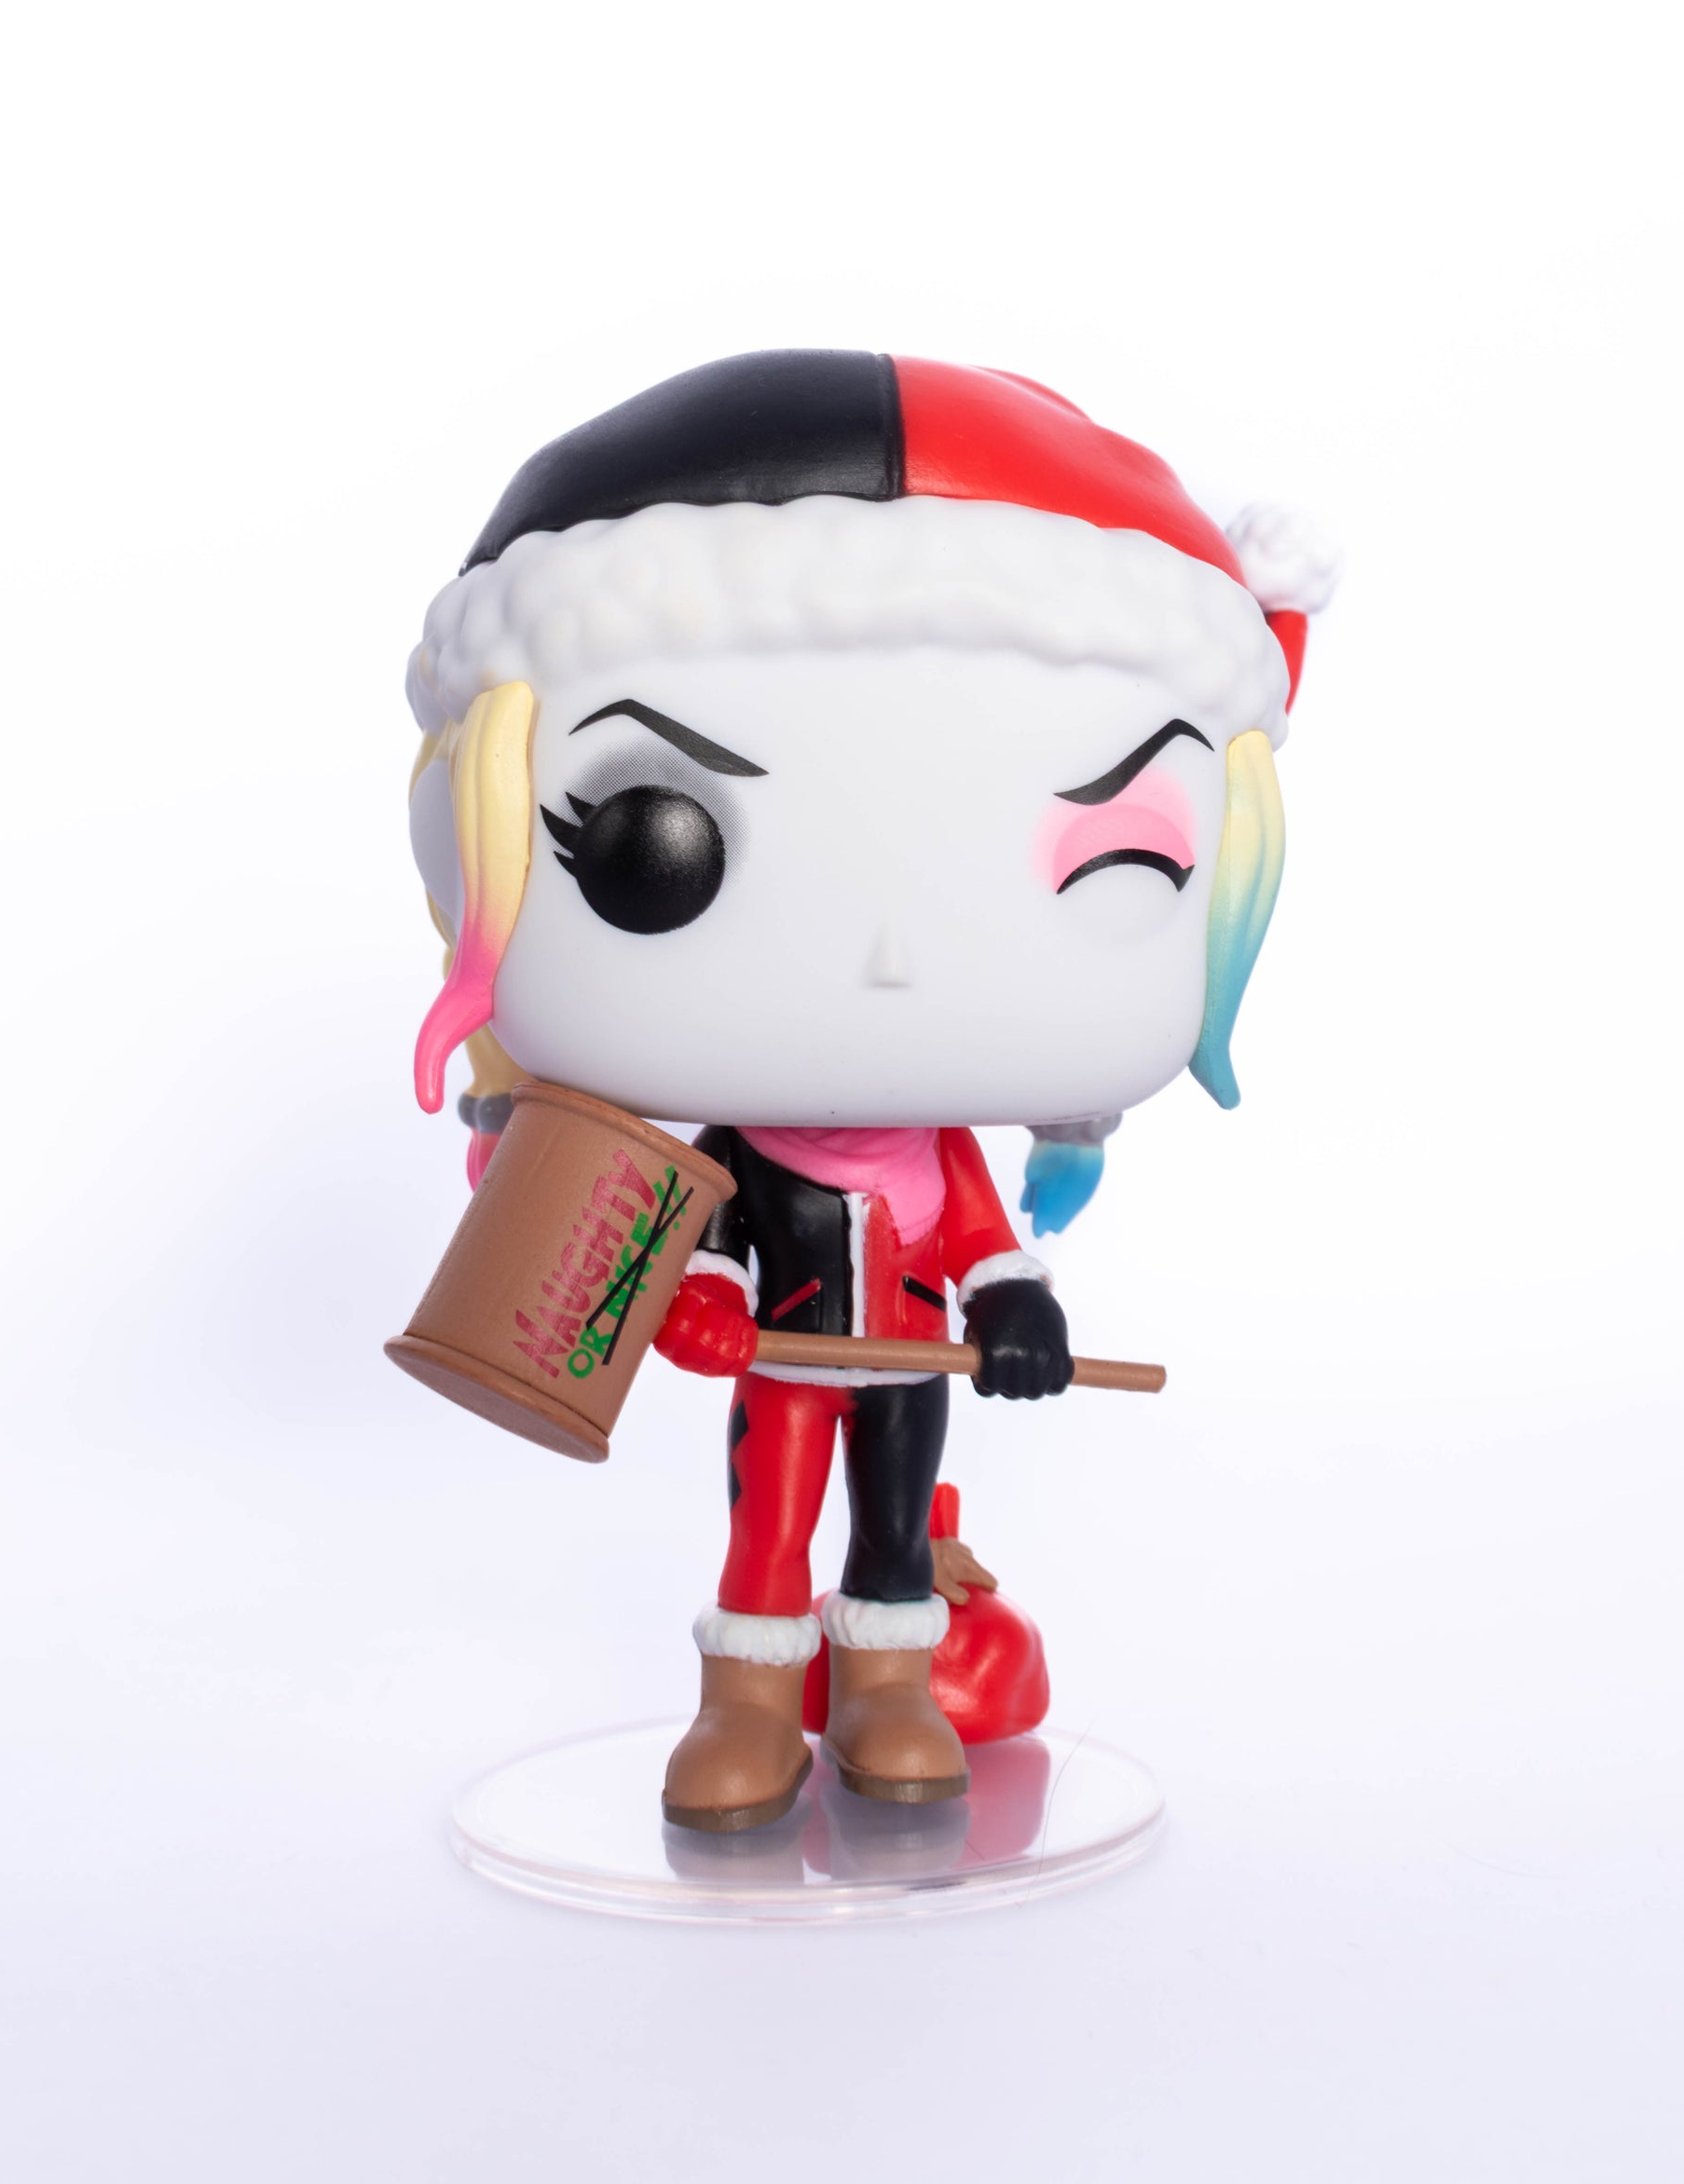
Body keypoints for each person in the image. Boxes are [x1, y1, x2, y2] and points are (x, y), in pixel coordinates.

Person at [404, 349, 1335, 1828]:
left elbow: (979, 1238)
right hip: (784, 1370)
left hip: (908, 1367)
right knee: (767, 1525)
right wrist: (697, 1301)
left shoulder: (936, 1151)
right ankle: (747, 1703)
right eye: (655, 842)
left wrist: (1017, 1311)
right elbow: (703, 1239)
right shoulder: (729, 1146)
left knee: (894, 1526)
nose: (887, 961)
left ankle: (888, 1686)